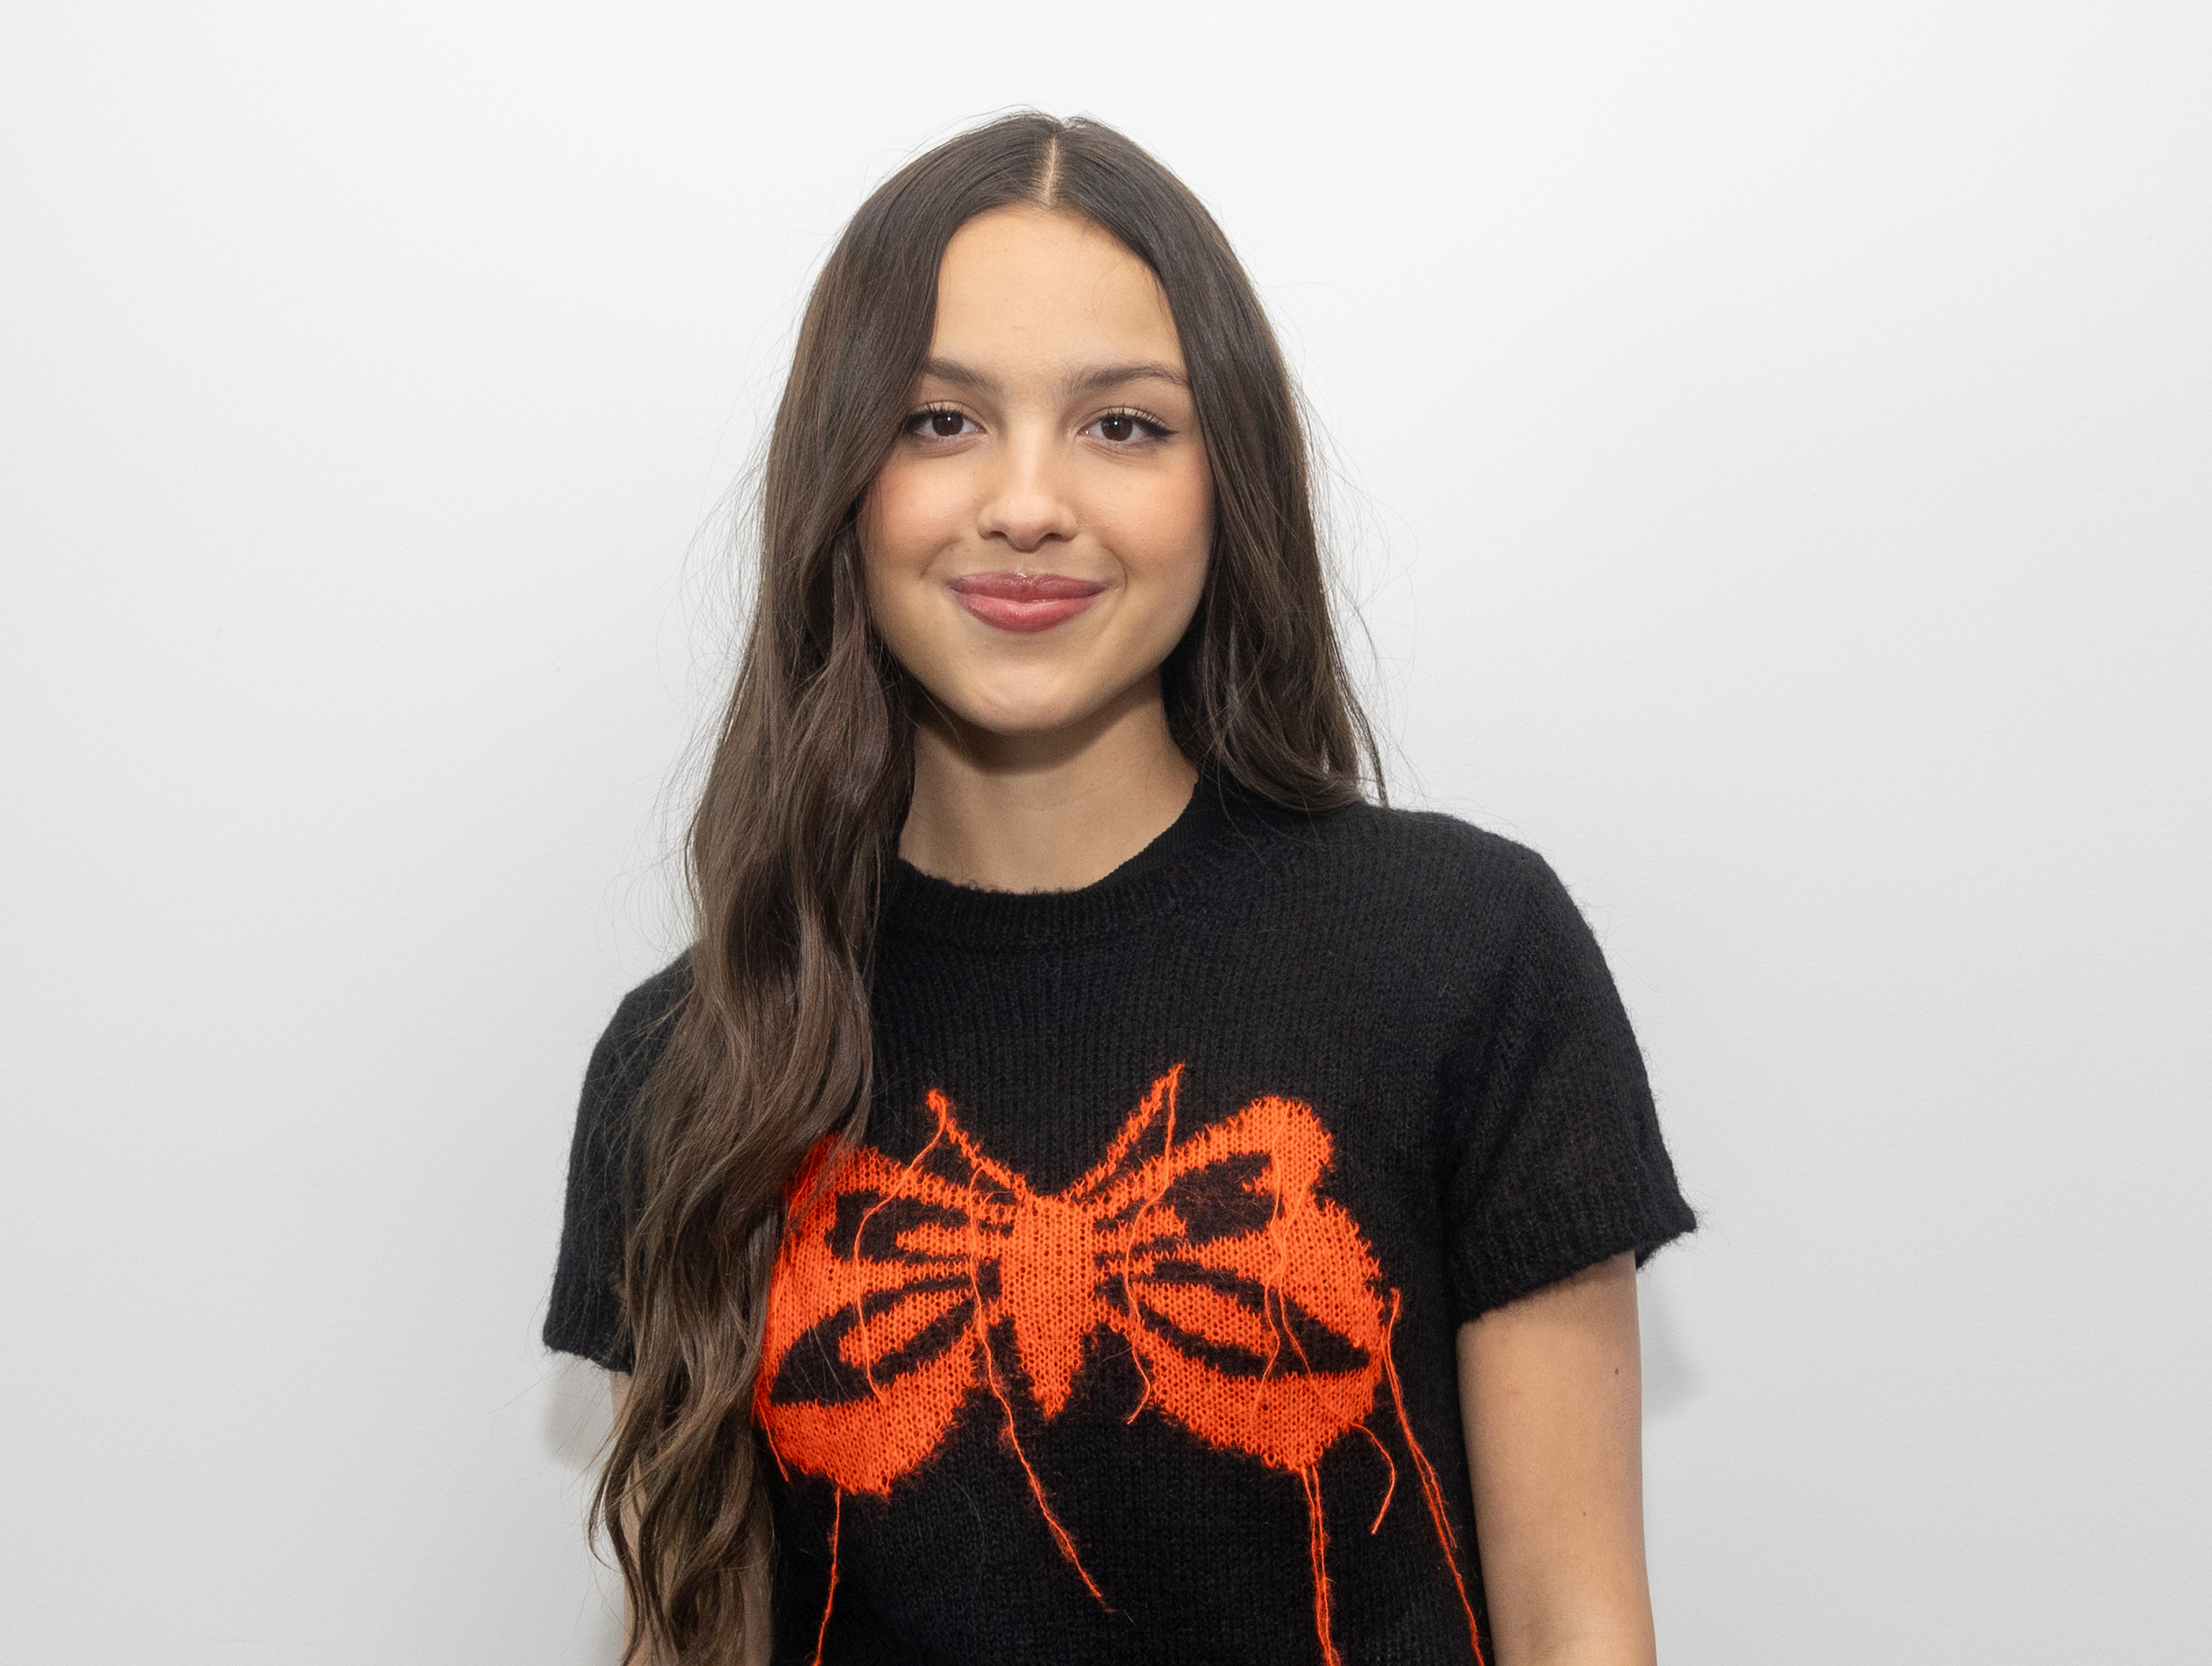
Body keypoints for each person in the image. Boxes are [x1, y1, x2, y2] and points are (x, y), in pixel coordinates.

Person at [545, 111, 1694, 1666]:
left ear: (1229, 483)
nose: (1027, 500)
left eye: (1124, 425)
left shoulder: (1468, 959)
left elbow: (1579, 1629)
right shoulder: (688, 1059)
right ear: (840, 482)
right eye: (939, 421)